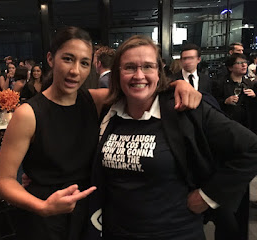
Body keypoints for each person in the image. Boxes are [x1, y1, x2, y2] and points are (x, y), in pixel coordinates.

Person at [0, 26, 201, 240]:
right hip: (46, 215)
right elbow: (2, 181)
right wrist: (43, 206)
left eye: (84, 63)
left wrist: (179, 85)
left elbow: (138, 86)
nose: (75, 70)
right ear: (50, 59)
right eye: (67, 59)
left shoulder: (93, 100)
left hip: (91, 211)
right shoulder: (28, 114)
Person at [85, 35, 257, 240]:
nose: (138, 75)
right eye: (129, 67)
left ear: (159, 72)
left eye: (148, 66)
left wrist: (207, 196)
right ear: (117, 74)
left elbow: (251, 147)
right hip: (117, 231)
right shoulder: (109, 112)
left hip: (175, 231)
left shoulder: (185, 109)